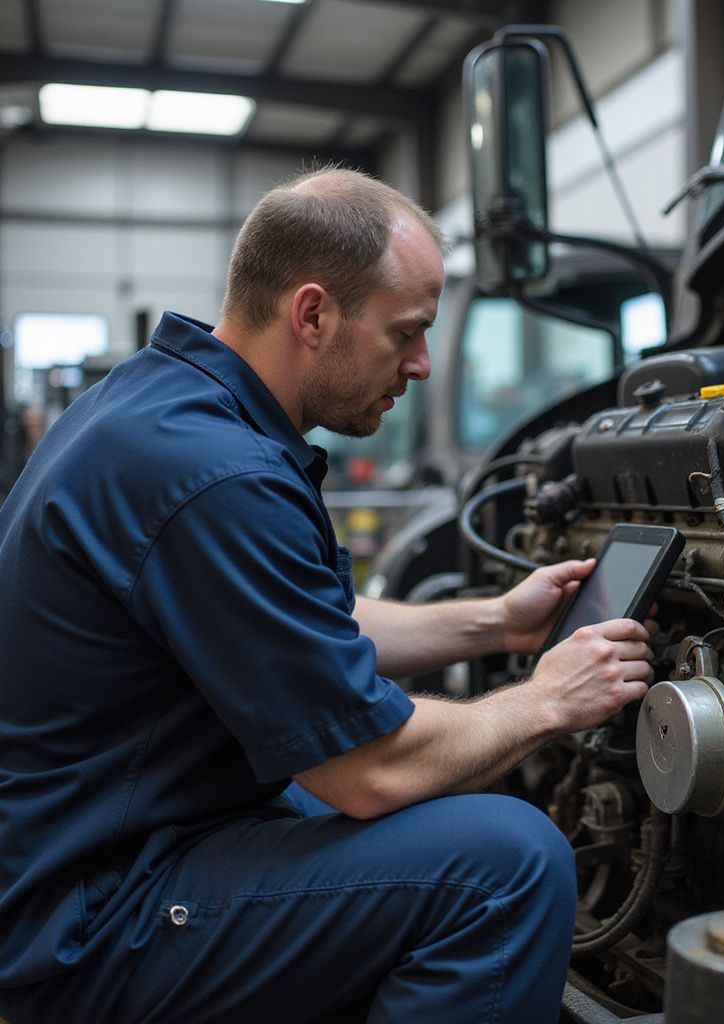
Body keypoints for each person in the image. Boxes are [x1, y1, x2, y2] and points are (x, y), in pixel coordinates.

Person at [0, 167, 655, 1024]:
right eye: (407, 333)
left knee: (427, 802)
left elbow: (301, 624)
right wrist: (547, 703)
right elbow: (370, 772)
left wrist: (496, 625)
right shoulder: (212, 474)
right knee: (511, 861)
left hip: (102, 846)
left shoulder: (164, 406)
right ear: (312, 315)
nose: (421, 364)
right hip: (90, 920)